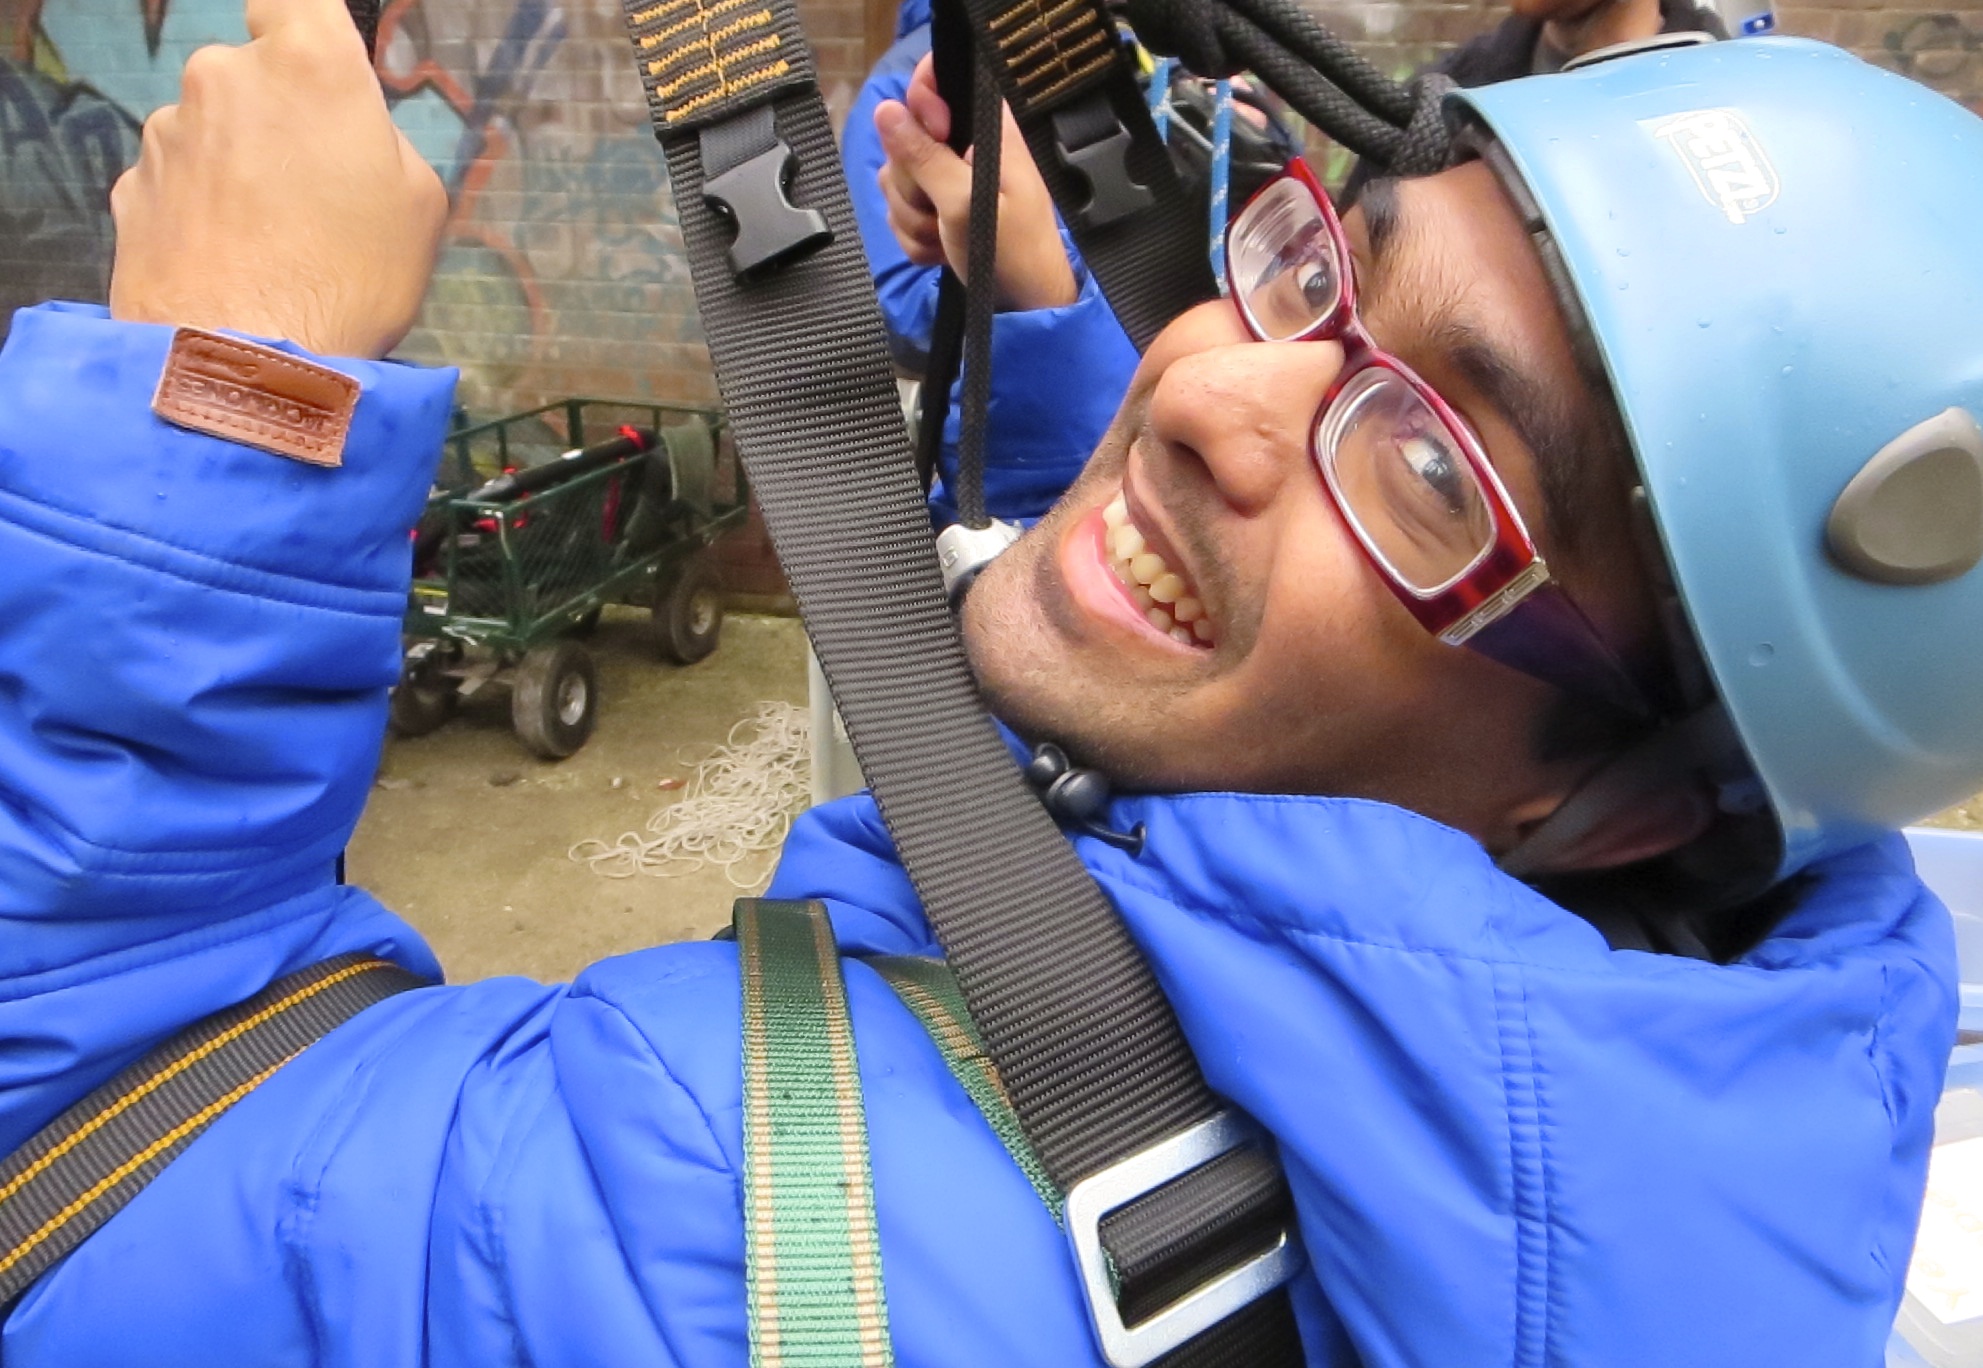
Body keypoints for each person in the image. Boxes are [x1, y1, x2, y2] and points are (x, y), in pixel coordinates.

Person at [0, 1, 1977, 1364]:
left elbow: (82, 1198)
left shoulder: (697, 1224)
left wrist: (226, 393)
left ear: (1624, 808)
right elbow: (1224, 805)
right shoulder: (1723, 1134)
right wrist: (1043, 338)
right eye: (1320, 273)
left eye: (1434, 473)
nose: (1202, 388)